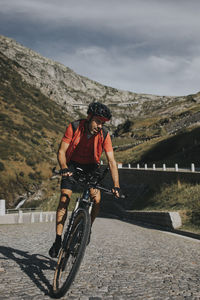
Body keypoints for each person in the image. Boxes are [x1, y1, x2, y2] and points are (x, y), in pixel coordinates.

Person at [49, 102, 120, 258]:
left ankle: (87, 228)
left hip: (92, 167)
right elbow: (61, 151)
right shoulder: (74, 127)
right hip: (72, 165)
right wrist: (64, 167)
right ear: (89, 117)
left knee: (97, 199)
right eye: (98, 121)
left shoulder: (105, 134)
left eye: (103, 123)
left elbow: (112, 161)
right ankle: (58, 239)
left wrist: (116, 185)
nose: (100, 126)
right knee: (64, 199)